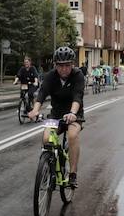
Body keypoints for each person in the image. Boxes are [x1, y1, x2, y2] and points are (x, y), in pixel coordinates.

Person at [27, 46, 85, 187]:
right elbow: (41, 95)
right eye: (60, 66)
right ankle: (48, 167)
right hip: (56, 115)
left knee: (72, 136)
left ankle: (72, 173)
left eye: (67, 65)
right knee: (47, 138)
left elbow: (77, 97)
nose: (63, 69)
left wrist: (72, 113)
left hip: (74, 115)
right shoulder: (51, 76)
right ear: (55, 65)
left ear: (72, 64)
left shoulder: (78, 76)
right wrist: (35, 110)